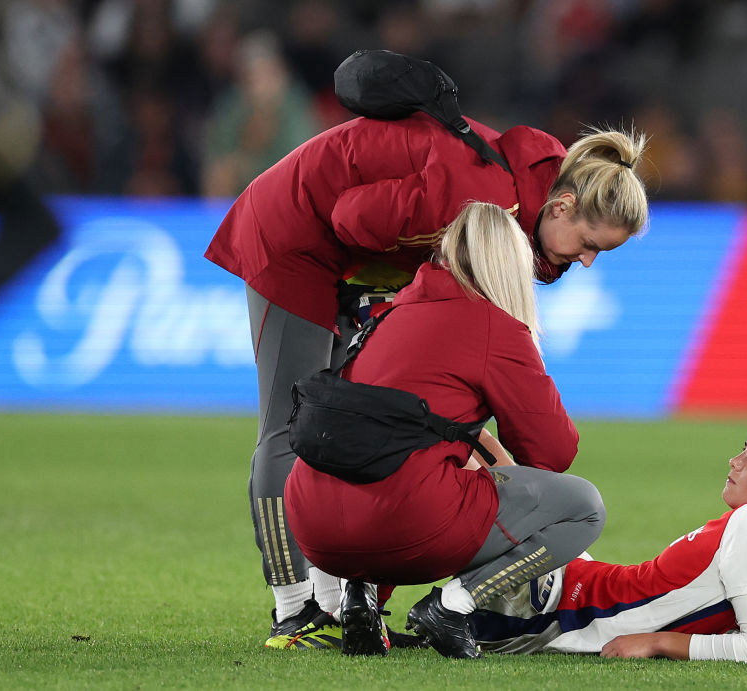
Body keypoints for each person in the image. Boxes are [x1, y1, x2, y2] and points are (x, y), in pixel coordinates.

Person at [204, 83, 649, 649]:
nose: (586, 261)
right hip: (294, 240)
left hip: (351, 265)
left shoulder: (516, 197)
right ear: (559, 206)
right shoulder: (482, 198)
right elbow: (350, 217)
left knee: (360, 423)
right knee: (292, 429)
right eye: (590, 244)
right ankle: (295, 610)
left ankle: (341, 600)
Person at [284, 202, 607, 659]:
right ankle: (453, 605)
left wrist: (469, 443)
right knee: (583, 507)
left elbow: (390, 438)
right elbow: (552, 451)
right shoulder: (494, 324)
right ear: (512, 265)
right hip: (402, 523)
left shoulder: (391, 315)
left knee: (414, 462)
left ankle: (363, 598)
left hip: (314, 527)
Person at [470, 418, 747, 664]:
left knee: (476, 477)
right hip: (580, 583)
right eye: (744, 449)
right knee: (505, 482)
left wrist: (658, 641)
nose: (735, 460)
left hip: (556, 611)